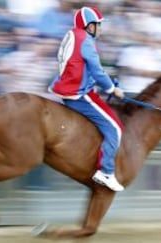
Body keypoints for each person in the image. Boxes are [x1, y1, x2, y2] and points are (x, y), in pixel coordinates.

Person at [49, 6, 125, 192]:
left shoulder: (73, 35)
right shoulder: (86, 42)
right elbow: (97, 71)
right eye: (98, 25)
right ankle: (106, 171)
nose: (100, 28)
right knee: (115, 128)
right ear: (89, 26)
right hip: (78, 94)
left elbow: (82, 67)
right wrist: (112, 89)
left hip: (68, 87)